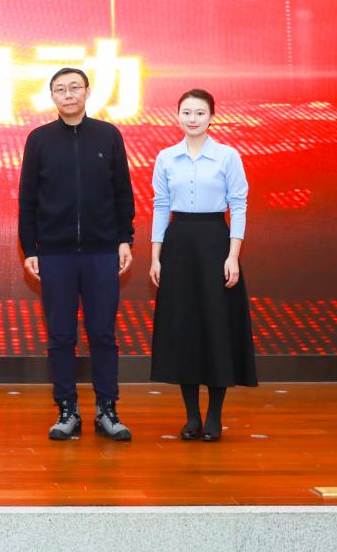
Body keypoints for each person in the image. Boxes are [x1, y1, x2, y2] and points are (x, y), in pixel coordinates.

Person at [18, 67, 136, 442]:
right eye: (60, 89)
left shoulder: (108, 135)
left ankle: (107, 408)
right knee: (61, 335)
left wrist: (125, 239)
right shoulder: (39, 139)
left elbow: (122, 192)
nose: (67, 95)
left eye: (74, 88)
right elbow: (27, 199)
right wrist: (30, 248)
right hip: (55, 253)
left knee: (102, 333)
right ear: (52, 96)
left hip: (102, 251)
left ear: (87, 91)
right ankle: (67, 409)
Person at [148, 89, 257, 442]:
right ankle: (192, 416)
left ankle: (214, 416)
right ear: (177, 116)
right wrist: (155, 256)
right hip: (178, 243)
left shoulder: (227, 156)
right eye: (186, 112)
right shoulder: (166, 157)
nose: (192, 119)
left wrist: (233, 255)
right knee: (185, 329)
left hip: (215, 242)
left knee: (216, 327)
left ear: (211, 117)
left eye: (199, 113)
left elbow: (238, 205)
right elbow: (161, 206)